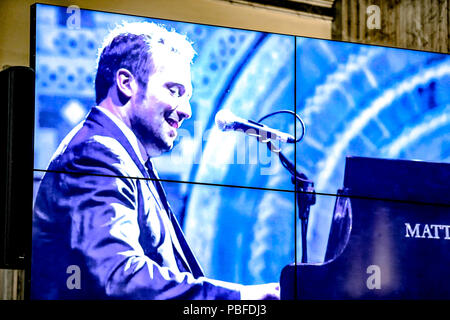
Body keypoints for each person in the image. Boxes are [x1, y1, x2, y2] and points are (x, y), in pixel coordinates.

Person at [31, 21, 280, 300]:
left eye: (188, 97)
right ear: (126, 83)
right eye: (174, 91)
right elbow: (118, 275)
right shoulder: (96, 154)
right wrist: (242, 299)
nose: (185, 110)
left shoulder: (123, 155)